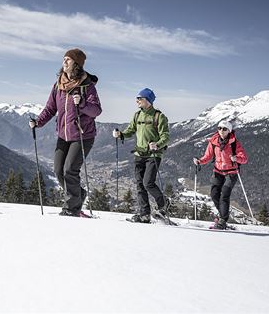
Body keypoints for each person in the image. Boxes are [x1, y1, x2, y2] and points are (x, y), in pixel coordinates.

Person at [29, 48, 102, 216]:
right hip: (63, 135)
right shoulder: (58, 85)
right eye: (64, 59)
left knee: (70, 169)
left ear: (76, 64)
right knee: (58, 170)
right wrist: (38, 122)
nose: (64, 62)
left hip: (83, 136)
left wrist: (82, 103)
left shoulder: (87, 86)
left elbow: (96, 111)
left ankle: (71, 208)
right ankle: (79, 194)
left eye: (68, 59)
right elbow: (50, 108)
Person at [113, 88, 170, 223]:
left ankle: (164, 203)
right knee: (140, 185)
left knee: (148, 182)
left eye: (140, 98)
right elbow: (131, 130)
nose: (137, 101)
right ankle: (144, 215)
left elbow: (166, 136)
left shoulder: (159, 116)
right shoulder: (137, 115)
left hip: (153, 154)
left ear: (148, 100)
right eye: (137, 98)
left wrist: (158, 144)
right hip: (139, 154)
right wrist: (121, 134)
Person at [193, 120, 248, 229]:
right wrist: (199, 161)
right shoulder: (213, 142)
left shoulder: (234, 143)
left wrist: (236, 158)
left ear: (229, 130)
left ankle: (222, 221)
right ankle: (223, 215)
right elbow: (207, 156)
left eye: (224, 129)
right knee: (214, 195)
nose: (221, 131)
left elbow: (244, 159)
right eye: (219, 128)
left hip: (231, 172)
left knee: (224, 195)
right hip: (218, 171)